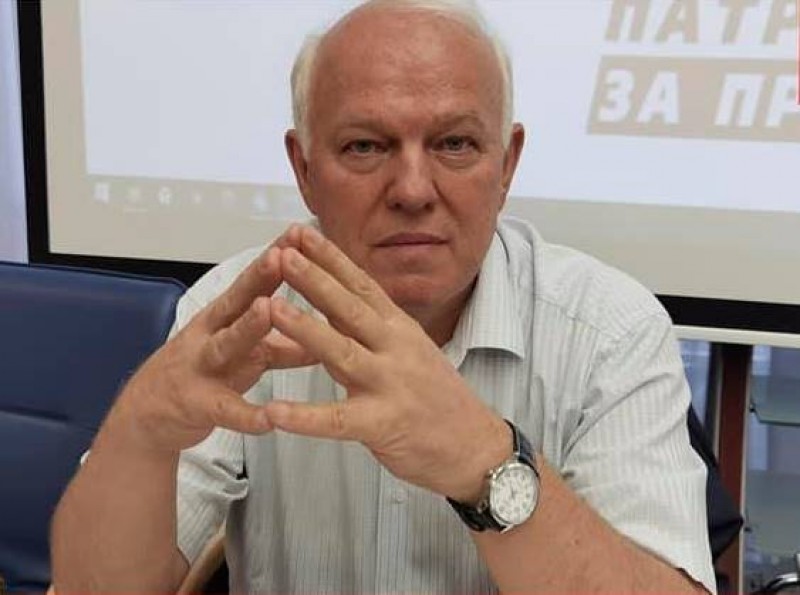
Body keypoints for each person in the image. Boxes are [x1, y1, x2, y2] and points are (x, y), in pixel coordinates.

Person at [51, 0, 716, 592]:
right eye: (365, 146)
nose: (413, 190)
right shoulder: (239, 313)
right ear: (304, 169)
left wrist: (484, 462)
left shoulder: (610, 330)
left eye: (455, 144)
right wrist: (138, 432)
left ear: (507, 164)